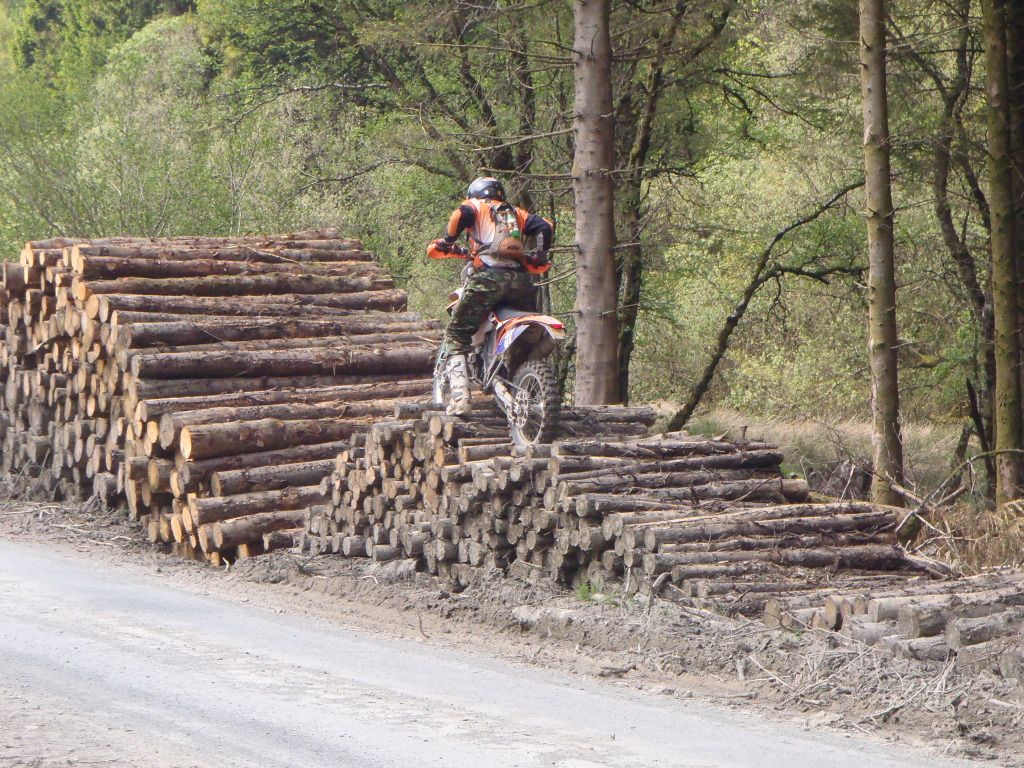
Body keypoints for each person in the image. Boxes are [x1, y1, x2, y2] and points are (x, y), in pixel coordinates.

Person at [429, 177, 553, 415]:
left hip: (487, 277)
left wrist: (447, 241)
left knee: (457, 333)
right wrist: (540, 255)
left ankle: (460, 398)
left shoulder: (475, 206)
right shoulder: (515, 213)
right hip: (520, 281)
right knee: (523, 339)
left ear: (474, 193)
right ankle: (522, 387)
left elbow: (459, 216)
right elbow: (545, 227)